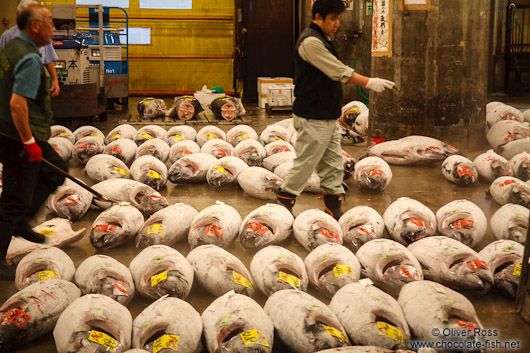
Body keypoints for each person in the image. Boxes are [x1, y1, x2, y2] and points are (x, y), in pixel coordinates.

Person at [276, 0, 394, 220]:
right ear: (318, 17)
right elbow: (337, 71)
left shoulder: (324, 39)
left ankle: (333, 207)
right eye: (333, 18)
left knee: (332, 164)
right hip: (312, 115)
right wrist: (369, 82)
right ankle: (283, 204)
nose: (337, 23)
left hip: (327, 115)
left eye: (339, 18)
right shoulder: (310, 42)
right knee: (306, 163)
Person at [0, 3, 67, 278]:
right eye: (50, 22)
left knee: (56, 169)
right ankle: (13, 228)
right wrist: (29, 144)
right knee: (13, 201)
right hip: (18, 136)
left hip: (11, 131)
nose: (55, 26)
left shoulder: (11, 47)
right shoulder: (27, 58)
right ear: (35, 26)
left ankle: (22, 221)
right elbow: (18, 104)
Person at [0, 0, 60, 97]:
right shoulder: (8, 36)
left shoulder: (42, 37)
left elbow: (48, 58)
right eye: (48, 22)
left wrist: (55, 80)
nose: (53, 28)